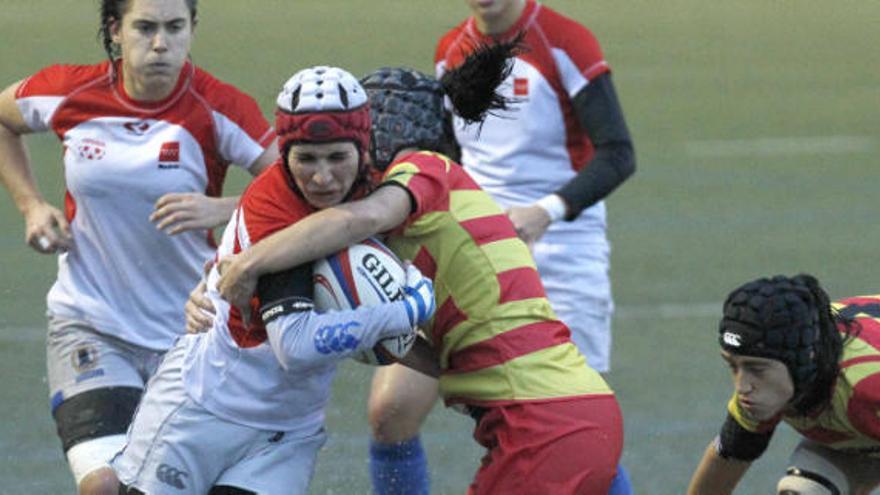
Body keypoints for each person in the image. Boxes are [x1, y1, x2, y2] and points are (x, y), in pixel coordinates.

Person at [213, 56, 624, 493]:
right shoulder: (418, 210)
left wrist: (248, 263)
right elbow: (301, 228)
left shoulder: (423, 169)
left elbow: (355, 220)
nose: (334, 169)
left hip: (545, 421)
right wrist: (213, 281)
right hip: (563, 414)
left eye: (351, 145)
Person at [111, 65, 436, 495]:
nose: (322, 177)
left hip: (288, 432)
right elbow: (297, 347)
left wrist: (455, 373)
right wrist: (404, 312)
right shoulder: (275, 213)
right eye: (306, 159)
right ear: (284, 154)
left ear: (363, 150)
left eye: (337, 157)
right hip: (203, 411)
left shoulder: (376, 191)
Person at [359, 1, 639, 493]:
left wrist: (543, 212)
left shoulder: (564, 40)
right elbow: (444, 154)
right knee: (391, 411)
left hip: (562, 248)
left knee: (575, 425)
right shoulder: (452, 49)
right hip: (475, 249)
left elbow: (618, 153)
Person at [0, 0, 277, 493]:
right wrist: (31, 205)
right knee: (105, 485)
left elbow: (294, 187)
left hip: (192, 332)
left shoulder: (218, 107)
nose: (160, 43)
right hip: (90, 321)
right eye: (144, 28)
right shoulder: (71, 91)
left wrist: (227, 207)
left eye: (175, 28)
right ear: (115, 30)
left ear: (192, 30)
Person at [687, 274, 880, 495]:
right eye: (733, 365)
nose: (743, 386)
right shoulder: (767, 385)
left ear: (806, 358)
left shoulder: (868, 386)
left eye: (756, 369)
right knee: (805, 490)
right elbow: (730, 456)